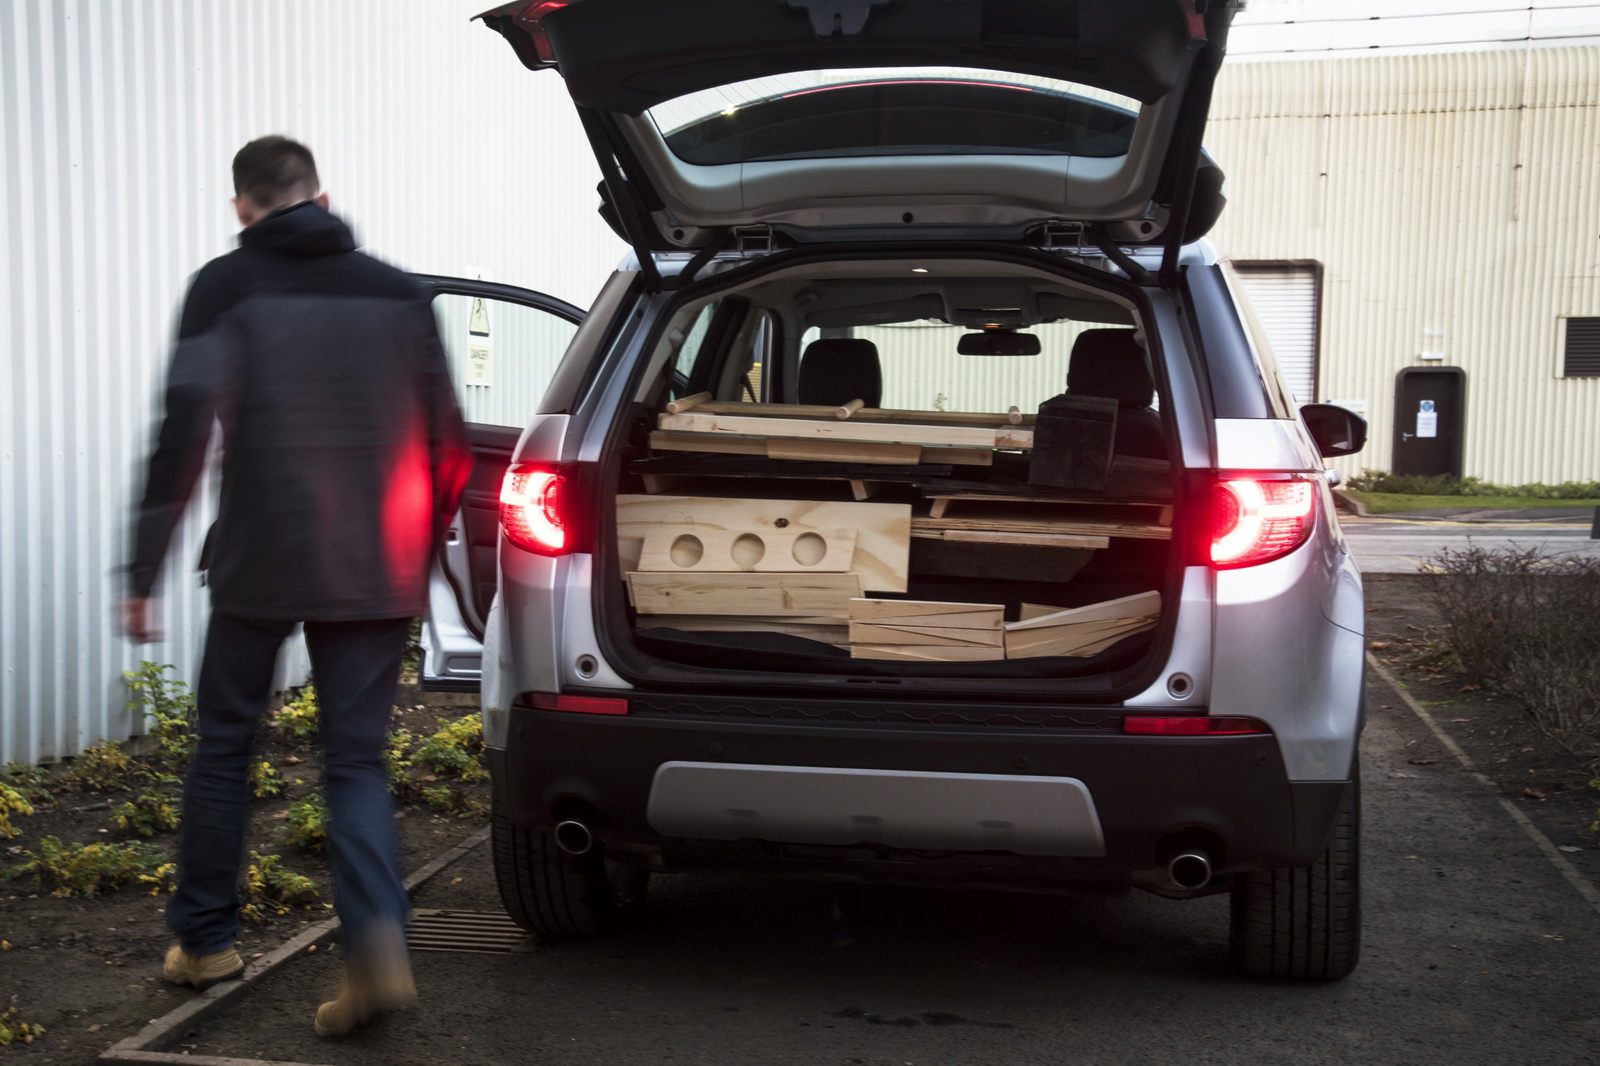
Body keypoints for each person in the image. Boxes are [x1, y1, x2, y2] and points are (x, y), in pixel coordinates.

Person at [121, 135, 470, 1037]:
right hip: (375, 568)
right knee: (354, 761)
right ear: (322, 194)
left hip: (262, 561)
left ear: (242, 206)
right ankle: (376, 946)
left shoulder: (226, 286)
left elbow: (182, 430)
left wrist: (142, 569)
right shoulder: (400, 292)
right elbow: (451, 446)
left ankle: (203, 942)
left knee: (224, 745)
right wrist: (421, 554)